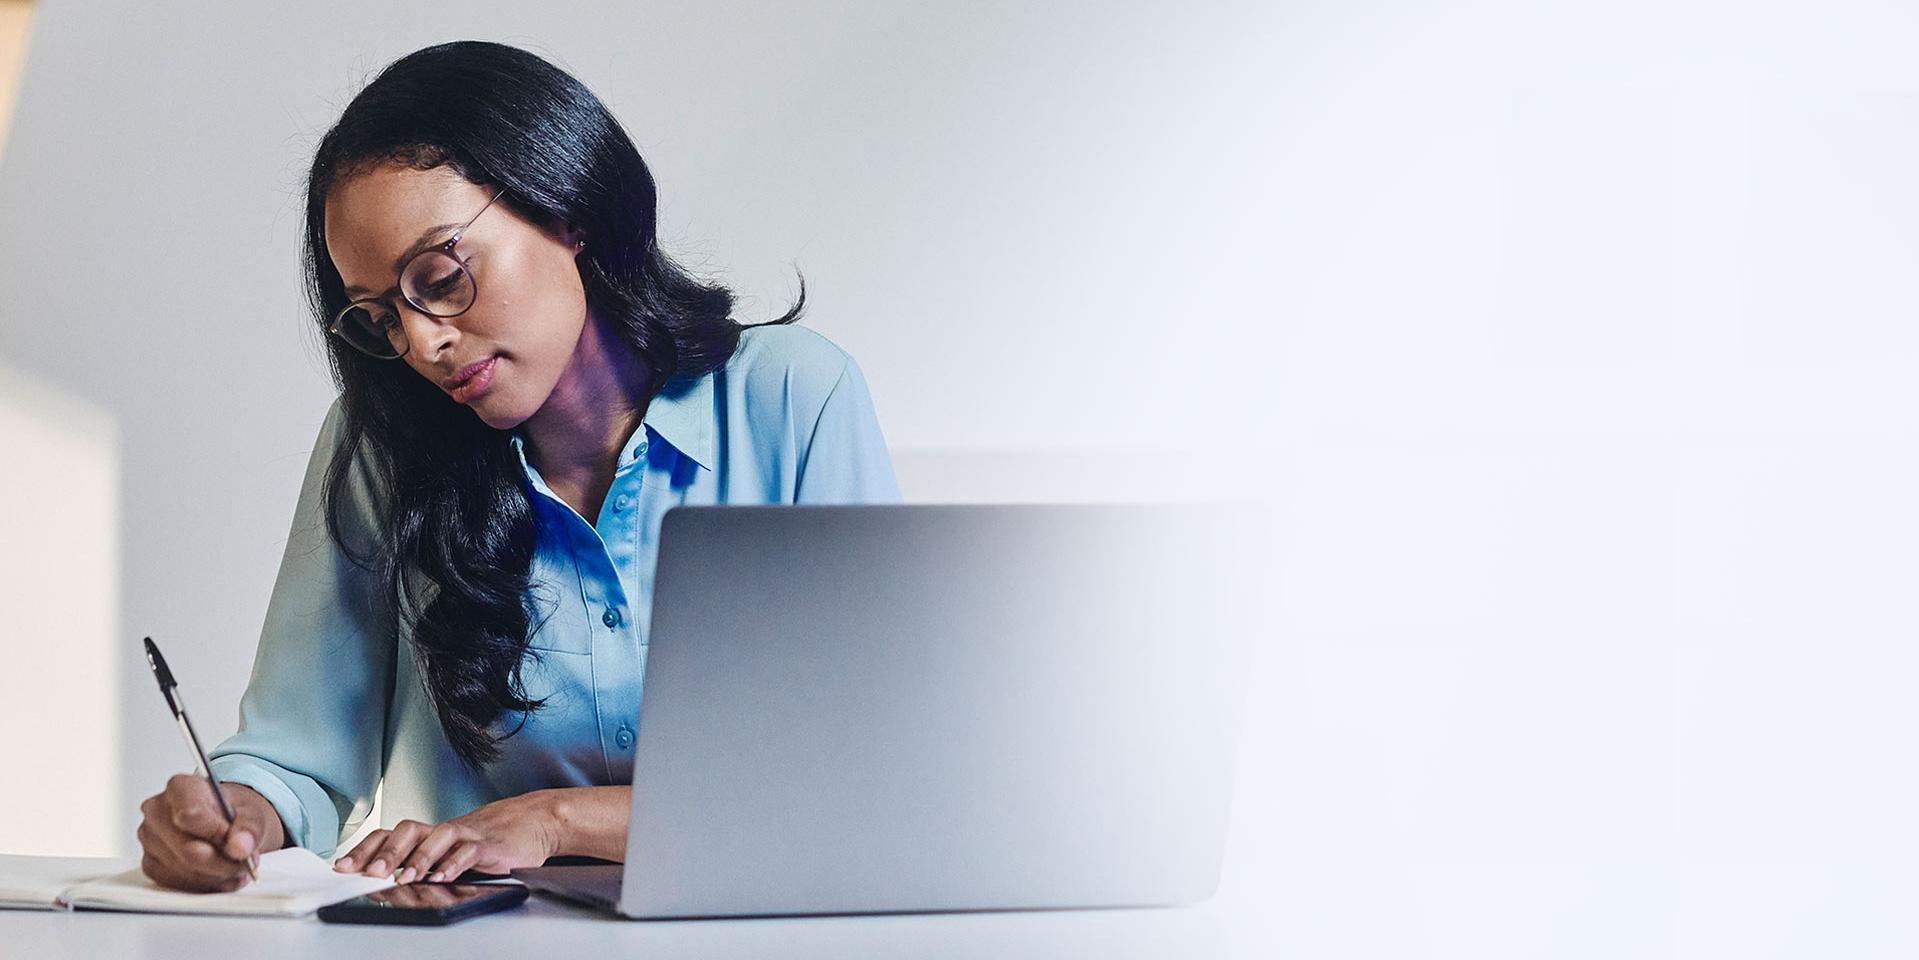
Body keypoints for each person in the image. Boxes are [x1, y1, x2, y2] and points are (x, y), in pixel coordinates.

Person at [134, 40, 902, 893]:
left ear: (566, 207)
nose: (422, 343)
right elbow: (298, 756)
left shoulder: (792, 401)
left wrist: (552, 818)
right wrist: (237, 813)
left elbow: (860, 763)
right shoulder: (382, 448)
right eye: (382, 316)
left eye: (439, 276)